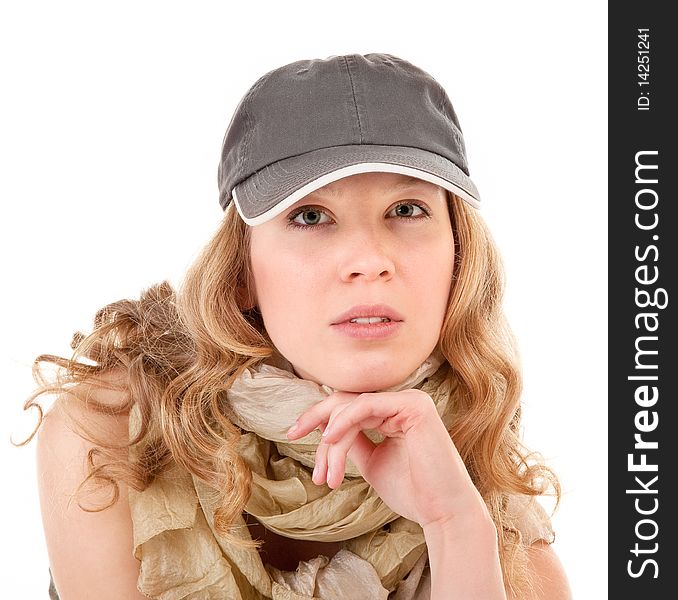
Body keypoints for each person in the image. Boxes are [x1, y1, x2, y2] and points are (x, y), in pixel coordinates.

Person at [24, 53, 571, 599]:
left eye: (407, 210)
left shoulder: (482, 473)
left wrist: (454, 526)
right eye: (310, 216)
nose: (369, 259)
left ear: (458, 257)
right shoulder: (112, 433)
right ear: (242, 273)